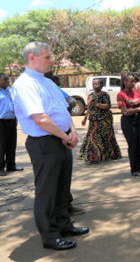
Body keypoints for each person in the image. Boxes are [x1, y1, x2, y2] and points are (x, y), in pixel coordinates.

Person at [12, 42, 89, 250]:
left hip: (61, 138)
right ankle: (50, 235)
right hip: (45, 142)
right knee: (47, 192)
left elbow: (64, 109)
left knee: (62, 189)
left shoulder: (46, 82)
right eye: (47, 57)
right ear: (32, 58)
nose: (51, 60)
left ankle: (64, 225)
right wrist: (64, 136)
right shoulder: (25, 83)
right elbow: (40, 118)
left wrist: (71, 131)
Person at [43, 72, 85, 217]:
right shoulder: (35, 88)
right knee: (51, 179)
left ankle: (65, 208)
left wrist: (72, 132)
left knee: (63, 176)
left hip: (64, 136)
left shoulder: (55, 89)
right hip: (49, 139)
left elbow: (71, 101)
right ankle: (54, 215)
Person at [78, 79, 122, 163]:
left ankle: (110, 154)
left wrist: (97, 104)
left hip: (104, 119)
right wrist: (84, 118)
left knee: (106, 137)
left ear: (101, 85)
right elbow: (89, 108)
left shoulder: (105, 94)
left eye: (97, 84)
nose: (95, 85)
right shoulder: (90, 96)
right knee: (93, 137)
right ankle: (93, 157)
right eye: (93, 84)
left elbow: (108, 106)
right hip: (93, 120)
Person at [117, 72, 140, 177]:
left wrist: (134, 109)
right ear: (125, 82)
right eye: (131, 81)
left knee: (139, 144)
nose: (133, 83)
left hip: (139, 120)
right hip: (128, 122)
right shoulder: (121, 94)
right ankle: (134, 169)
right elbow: (125, 111)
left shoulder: (137, 93)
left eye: (134, 81)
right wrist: (137, 109)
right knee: (133, 145)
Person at [0, 73, 23, 176]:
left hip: (11, 121)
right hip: (1, 122)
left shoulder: (10, 91)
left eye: (8, 79)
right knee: (1, 145)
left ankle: (11, 165)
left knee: (11, 144)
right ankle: (0, 168)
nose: (7, 81)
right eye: (5, 79)